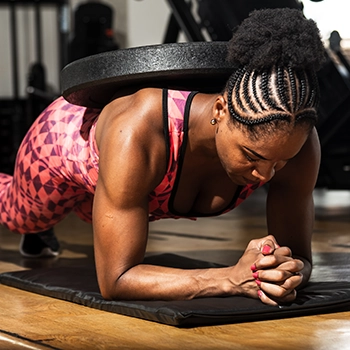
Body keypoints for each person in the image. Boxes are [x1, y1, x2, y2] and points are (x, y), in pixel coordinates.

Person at [0, 8, 326, 306]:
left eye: (279, 162)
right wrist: (230, 278)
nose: (266, 175)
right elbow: (116, 279)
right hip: (63, 142)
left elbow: (299, 257)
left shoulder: (294, 142)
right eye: (251, 156)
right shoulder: (139, 131)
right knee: (22, 216)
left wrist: (281, 270)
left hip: (125, 190)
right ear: (220, 110)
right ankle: (36, 225)